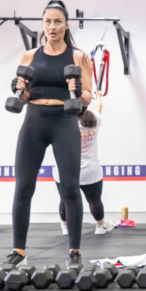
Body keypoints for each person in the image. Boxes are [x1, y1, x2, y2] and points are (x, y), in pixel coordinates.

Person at [7, 0, 93, 272]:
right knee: (23, 187)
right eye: (47, 21)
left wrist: (77, 89)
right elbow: (22, 95)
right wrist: (19, 88)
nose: (52, 26)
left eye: (57, 21)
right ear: (42, 25)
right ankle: (18, 251)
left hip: (64, 122)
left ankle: (75, 250)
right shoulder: (29, 56)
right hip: (33, 121)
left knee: (69, 187)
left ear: (66, 24)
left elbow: (89, 97)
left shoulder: (79, 57)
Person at [54, 90, 109, 235]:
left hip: (65, 169)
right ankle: (101, 226)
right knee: (94, 200)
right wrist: (98, 96)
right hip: (89, 170)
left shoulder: (63, 122)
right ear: (85, 107)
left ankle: (65, 227)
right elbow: (98, 107)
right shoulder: (94, 118)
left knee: (64, 199)